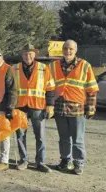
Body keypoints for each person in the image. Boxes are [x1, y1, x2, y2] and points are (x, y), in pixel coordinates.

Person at [49, 40, 99, 175]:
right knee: (63, 138)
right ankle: (65, 160)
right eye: (65, 48)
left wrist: (91, 107)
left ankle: (78, 163)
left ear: (75, 50)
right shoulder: (53, 66)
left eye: (71, 49)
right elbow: (48, 87)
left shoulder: (85, 65)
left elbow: (92, 89)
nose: (68, 51)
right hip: (59, 108)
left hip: (77, 108)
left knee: (77, 139)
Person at [12, 43, 55, 173]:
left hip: (38, 106)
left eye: (30, 53)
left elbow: (50, 88)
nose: (27, 56)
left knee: (40, 136)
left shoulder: (44, 68)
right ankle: (23, 160)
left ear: (35, 54)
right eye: (25, 53)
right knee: (20, 135)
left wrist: (50, 105)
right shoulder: (14, 69)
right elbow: (9, 89)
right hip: (20, 107)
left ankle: (40, 162)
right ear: (22, 55)